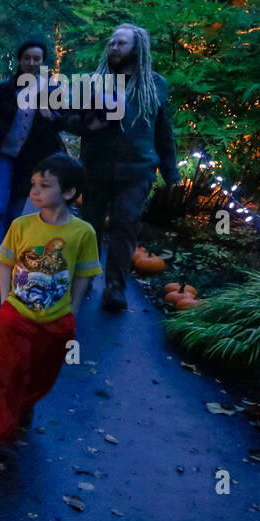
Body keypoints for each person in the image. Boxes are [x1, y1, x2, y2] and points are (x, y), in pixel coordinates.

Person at [0, 153, 101, 448]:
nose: (34, 191)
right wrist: (5, 303)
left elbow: (83, 275)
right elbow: (5, 264)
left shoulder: (83, 233)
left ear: (68, 192)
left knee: (43, 375)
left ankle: (24, 404)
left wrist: (73, 313)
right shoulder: (22, 225)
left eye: (44, 185)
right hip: (16, 313)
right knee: (7, 373)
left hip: (57, 320)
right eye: (33, 184)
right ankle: (1, 434)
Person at [66, 24, 177, 312]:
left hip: (137, 170)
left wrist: (170, 172)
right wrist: (90, 124)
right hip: (96, 168)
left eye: (121, 44)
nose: (114, 47)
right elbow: (69, 120)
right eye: (112, 43)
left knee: (125, 226)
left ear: (137, 49)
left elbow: (164, 132)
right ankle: (84, 279)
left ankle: (115, 288)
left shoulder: (155, 84)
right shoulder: (93, 81)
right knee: (89, 226)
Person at [0, 40, 67, 278]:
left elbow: (63, 122)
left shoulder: (51, 91)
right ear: (19, 60)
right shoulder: (5, 91)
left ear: (42, 62)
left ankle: (6, 256)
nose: (31, 63)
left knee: (13, 213)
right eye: (27, 58)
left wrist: (51, 116)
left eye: (36, 59)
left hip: (30, 163)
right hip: (3, 157)